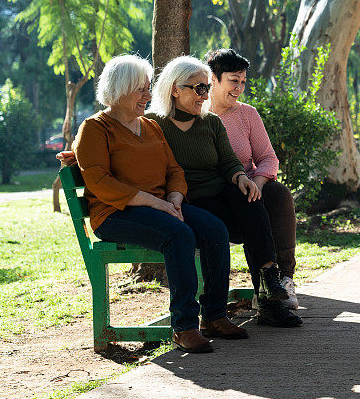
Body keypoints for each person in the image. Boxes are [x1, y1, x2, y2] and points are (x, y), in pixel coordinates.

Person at [72, 54, 247, 353]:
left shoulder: (150, 127)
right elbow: (100, 182)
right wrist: (152, 202)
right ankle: (184, 326)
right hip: (116, 213)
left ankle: (215, 316)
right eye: (140, 89)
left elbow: (174, 171)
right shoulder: (95, 128)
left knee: (214, 228)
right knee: (179, 235)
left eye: (148, 87)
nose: (148, 95)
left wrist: (175, 197)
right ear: (118, 89)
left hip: (160, 206)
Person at [147, 56, 302, 328]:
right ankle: (249, 302)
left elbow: (229, 159)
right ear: (174, 89)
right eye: (199, 89)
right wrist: (78, 154)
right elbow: (119, 139)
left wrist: (242, 176)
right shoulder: (153, 124)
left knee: (251, 198)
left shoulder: (211, 122)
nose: (204, 95)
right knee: (228, 222)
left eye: (206, 88)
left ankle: (269, 287)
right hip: (190, 198)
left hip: (221, 189)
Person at [204, 48, 300, 310]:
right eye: (233, 81)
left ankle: (284, 279)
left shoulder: (247, 114)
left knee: (278, 194)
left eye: (243, 82)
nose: (239, 88)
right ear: (213, 78)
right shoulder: (198, 115)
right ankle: (266, 288)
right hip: (216, 194)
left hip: (250, 186)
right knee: (247, 203)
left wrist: (258, 182)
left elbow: (268, 157)